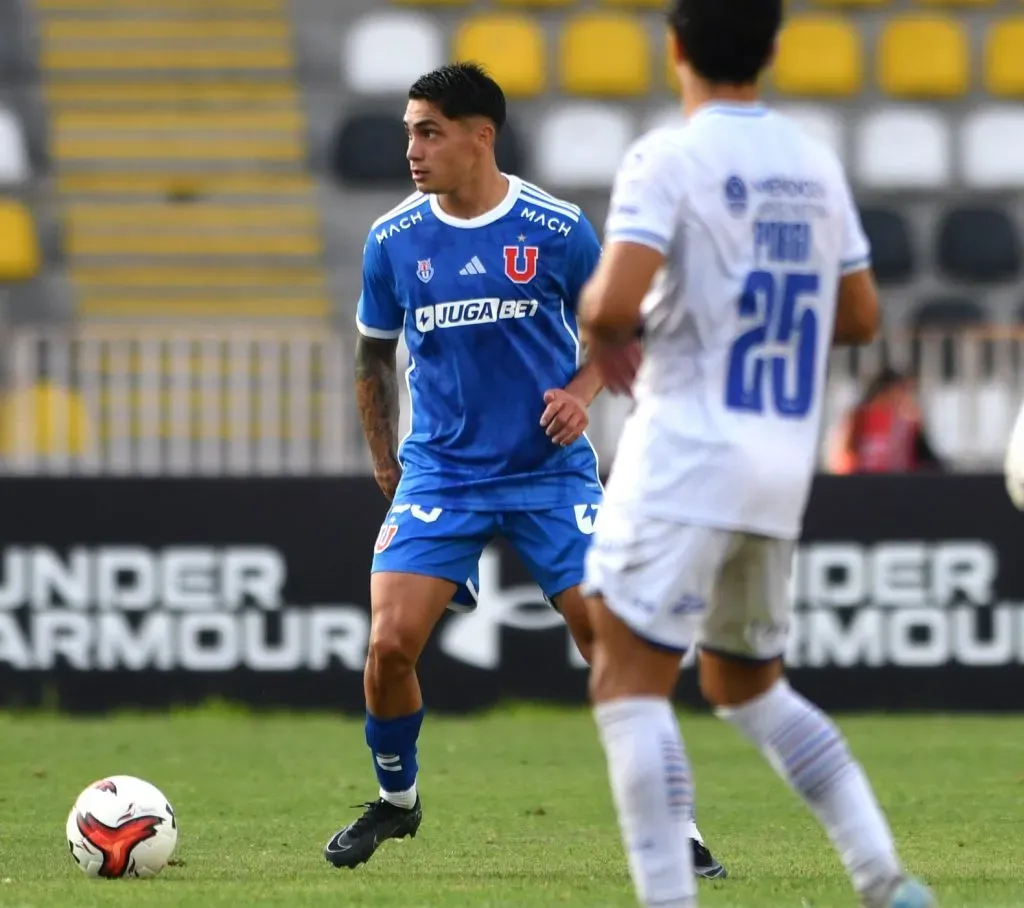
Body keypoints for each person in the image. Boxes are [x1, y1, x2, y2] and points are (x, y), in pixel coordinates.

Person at [323, 62, 725, 879]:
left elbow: (622, 334)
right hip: (441, 475)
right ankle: (397, 802)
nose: (412, 148)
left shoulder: (556, 227)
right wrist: (387, 466)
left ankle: (676, 825)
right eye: (408, 131)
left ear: (481, 135)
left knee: (611, 643)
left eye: (428, 131)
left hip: (551, 476)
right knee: (390, 646)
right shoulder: (393, 240)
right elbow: (372, 357)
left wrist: (582, 393)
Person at [575, 1, 936, 906]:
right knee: (745, 684)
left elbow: (612, 303)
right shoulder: (812, 161)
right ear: (773, 50)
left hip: (687, 451)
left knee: (626, 676)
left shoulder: (668, 157)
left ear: (673, 48)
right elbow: (858, 317)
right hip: (779, 462)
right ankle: (885, 882)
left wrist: (608, 328)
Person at [827, 366, 944, 474]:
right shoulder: (859, 418)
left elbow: (929, 462)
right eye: (898, 393)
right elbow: (842, 457)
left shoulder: (909, 424)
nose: (903, 399)